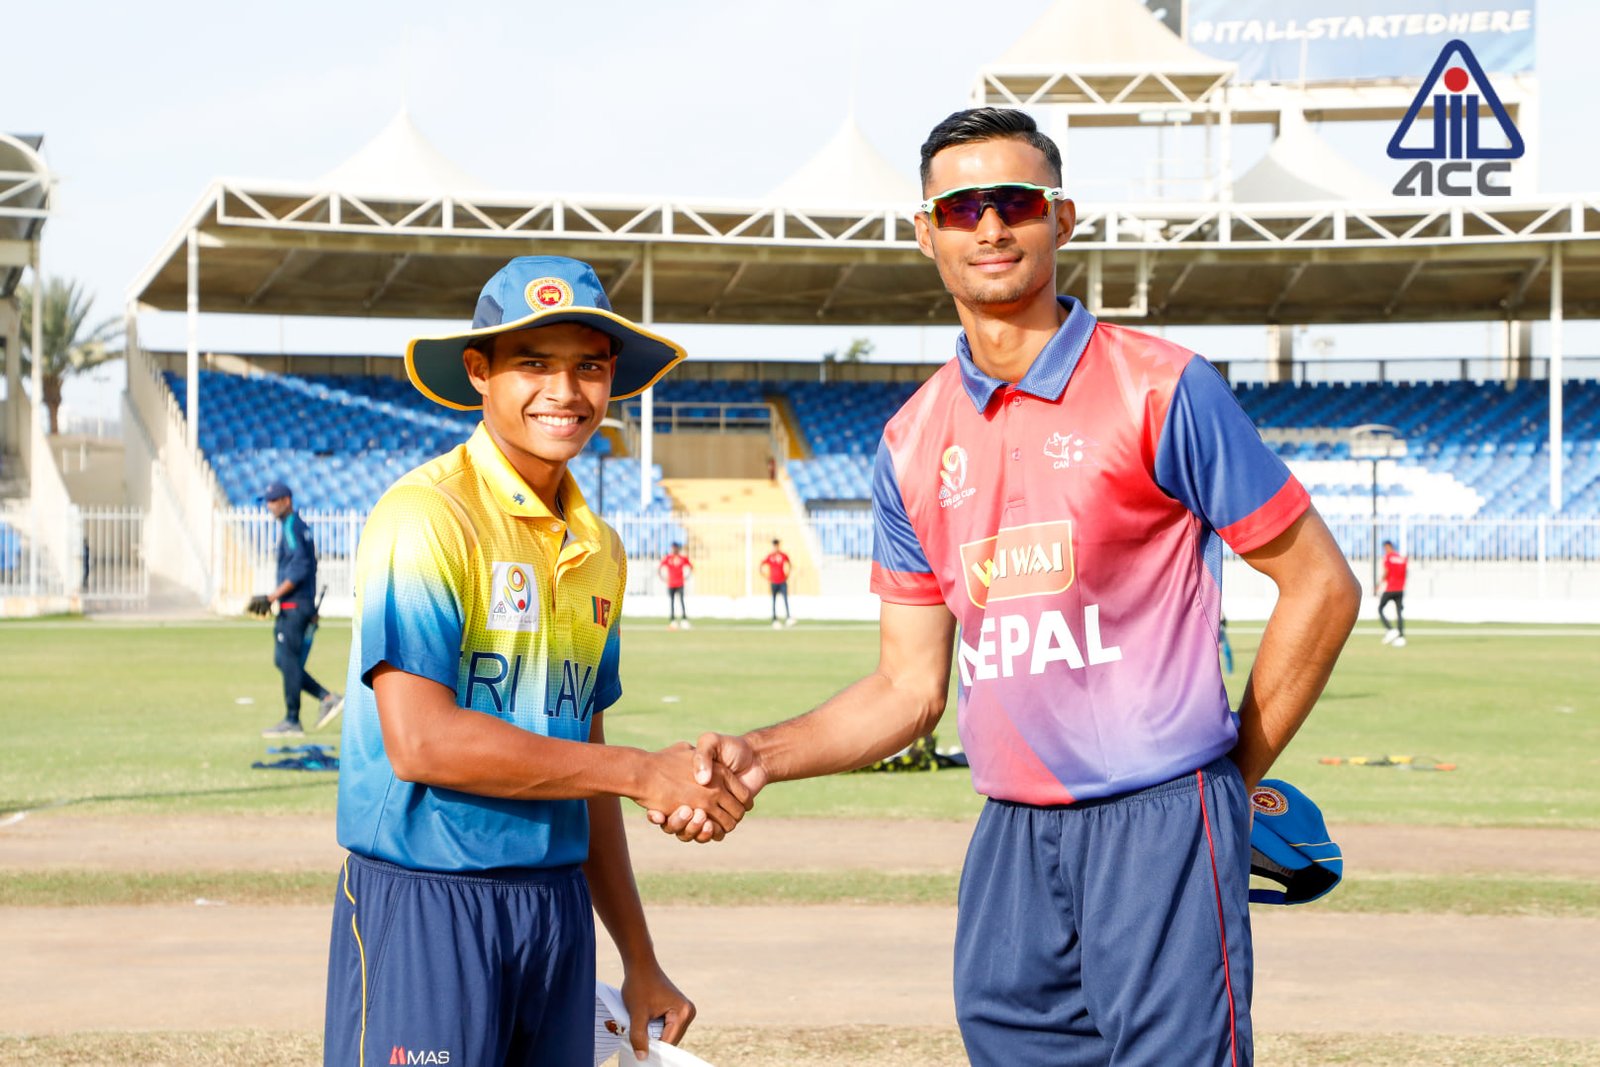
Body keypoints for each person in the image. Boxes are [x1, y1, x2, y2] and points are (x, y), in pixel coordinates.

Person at [659, 109, 1361, 1067]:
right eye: (961, 206)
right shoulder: (909, 440)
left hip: (1159, 812)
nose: (989, 226)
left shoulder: (1162, 386)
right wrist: (760, 754)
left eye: (1015, 201)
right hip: (1010, 837)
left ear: (1061, 219)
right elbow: (908, 690)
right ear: (927, 233)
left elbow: (1320, 586)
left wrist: (1229, 787)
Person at [324, 256, 752, 1067]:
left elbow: (584, 771)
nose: (565, 390)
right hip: (428, 900)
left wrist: (639, 956)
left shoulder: (600, 547)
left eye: (588, 366)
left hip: (556, 911)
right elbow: (423, 741)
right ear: (479, 371)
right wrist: (637, 769)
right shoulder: (426, 515)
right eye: (533, 363)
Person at [258, 481, 341, 739]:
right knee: (283, 661)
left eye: (274, 500)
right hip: (300, 604)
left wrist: (272, 596)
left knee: (288, 660)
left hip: (293, 606)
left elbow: (300, 568)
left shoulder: (293, 527)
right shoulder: (297, 527)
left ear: (286, 500)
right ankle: (326, 697)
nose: (270, 506)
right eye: (268, 501)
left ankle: (293, 719)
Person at [1379, 539, 1408, 647]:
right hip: (1400, 589)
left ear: (1388, 546)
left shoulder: (1388, 558)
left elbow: (1386, 571)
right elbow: (1405, 573)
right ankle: (1401, 637)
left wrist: (1379, 584)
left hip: (1391, 588)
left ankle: (1390, 629)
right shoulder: (1401, 558)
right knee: (1399, 612)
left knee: (1380, 608)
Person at [659, 541, 693, 630]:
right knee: (672, 602)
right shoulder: (668, 558)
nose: (674, 549)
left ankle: (684, 619)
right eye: (672, 547)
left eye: (675, 547)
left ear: (678, 548)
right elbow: (660, 568)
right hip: (671, 584)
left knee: (681, 601)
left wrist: (687, 577)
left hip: (680, 583)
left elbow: (691, 567)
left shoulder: (683, 558)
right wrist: (663, 578)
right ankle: (672, 620)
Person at [760, 538, 793, 628]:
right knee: (774, 601)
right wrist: (766, 576)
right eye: (774, 545)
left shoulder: (783, 555)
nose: (776, 547)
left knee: (785, 599)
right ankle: (774, 618)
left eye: (777, 545)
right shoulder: (770, 556)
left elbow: (789, 564)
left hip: (782, 581)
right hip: (774, 582)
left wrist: (787, 575)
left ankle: (788, 617)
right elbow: (761, 565)